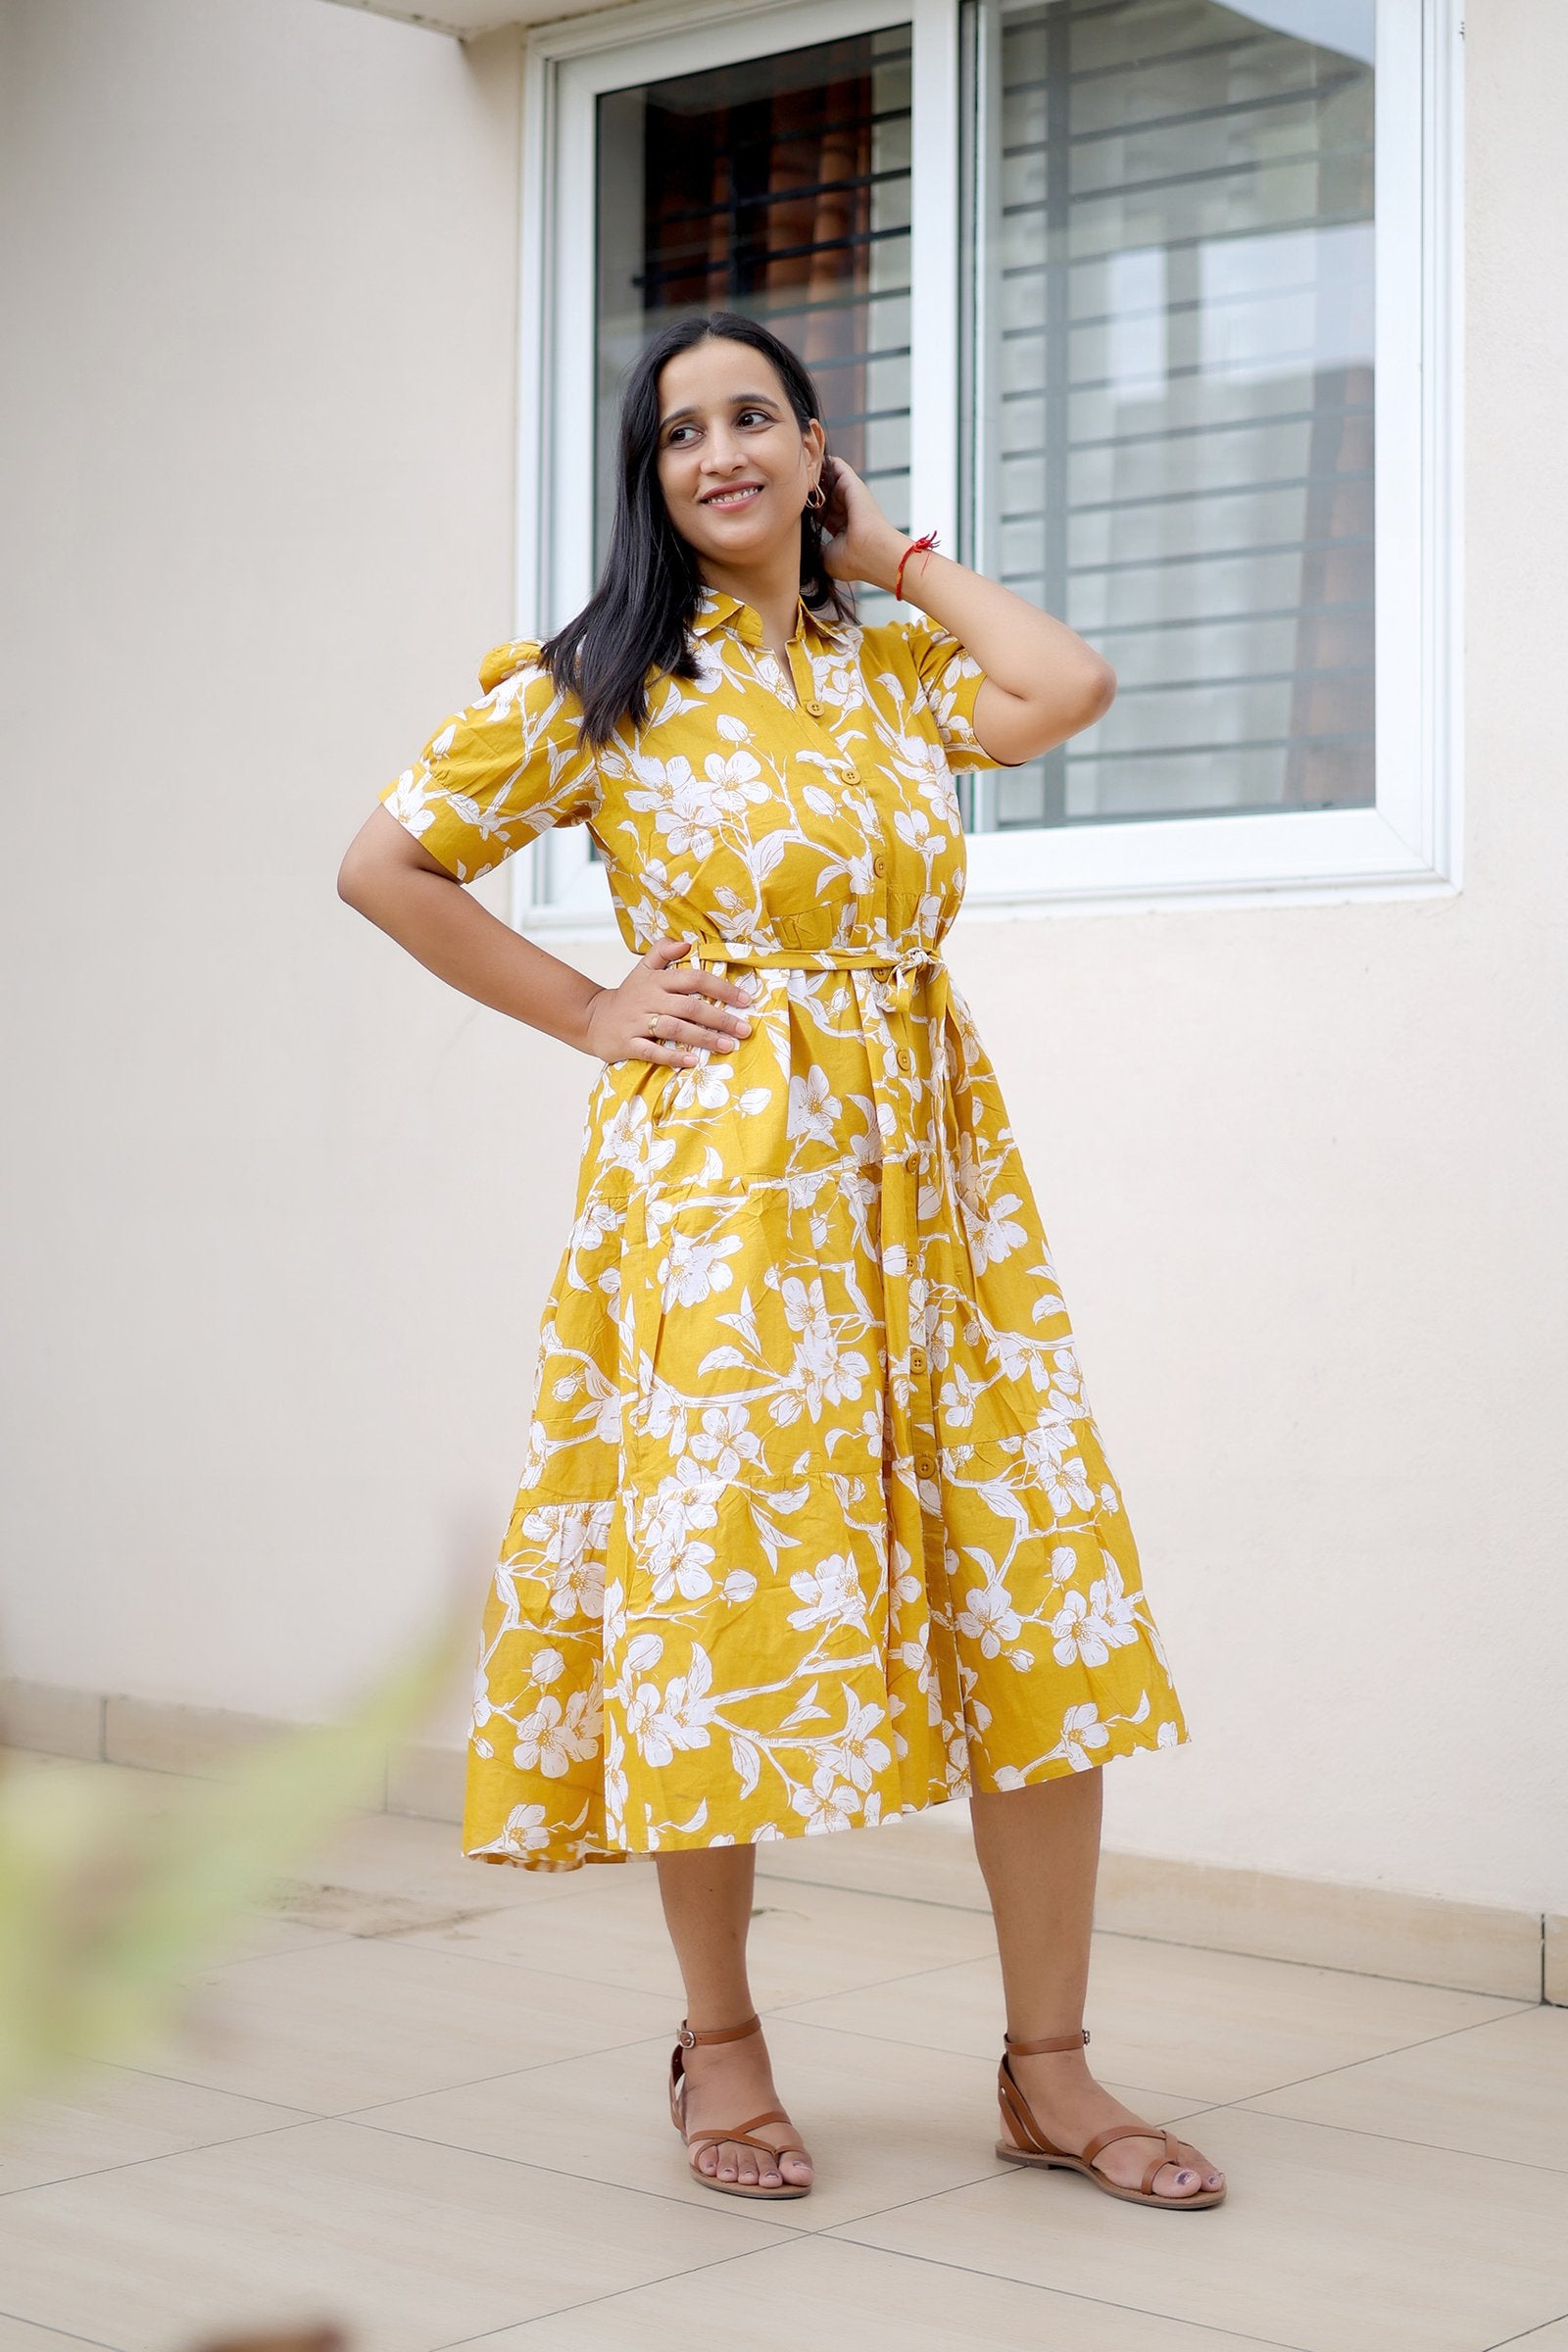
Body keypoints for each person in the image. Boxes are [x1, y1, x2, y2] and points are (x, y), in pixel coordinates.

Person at [338, 312, 1226, 2212]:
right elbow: (386, 865)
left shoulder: (889, 662)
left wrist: (887, 552)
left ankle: (1047, 2072)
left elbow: (1062, 684)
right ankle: (720, 2047)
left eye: (756, 417)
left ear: (812, 447)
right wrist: (586, 1006)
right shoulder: (596, 684)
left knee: (1030, 1596)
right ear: (646, 477)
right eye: (682, 432)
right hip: (727, 1208)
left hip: (936, 1195)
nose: (719, 451)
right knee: (722, 1611)